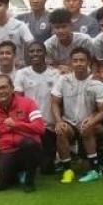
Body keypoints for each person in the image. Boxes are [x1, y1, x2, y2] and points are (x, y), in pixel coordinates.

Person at [51, 47, 103, 184]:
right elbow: (54, 103)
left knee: (87, 128)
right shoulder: (63, 80)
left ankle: (95, 170)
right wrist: (58, 121)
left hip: (88, 123)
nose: (79, 63)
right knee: (61, 130)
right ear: (70, 63)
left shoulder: (96, 82)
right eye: (75, 60)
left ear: (88, 62)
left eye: (82, 60)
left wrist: (92, 121)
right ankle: (67, 170)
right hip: (70, 122)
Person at [0, 74, 45, 192]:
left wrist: (17, 124)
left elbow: (40, 128)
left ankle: (29, 181)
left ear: (12, 88)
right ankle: (13, 176)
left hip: (28, 150)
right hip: (7, 152)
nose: (1, 91)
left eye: (4, 87)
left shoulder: (28, 103)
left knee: (29, 144)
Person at [14, 41, 60, 173]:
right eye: (32, 51)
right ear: (28, 54)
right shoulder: (21, 74)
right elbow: (18, 100)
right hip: (29, 127)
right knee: (29, 160)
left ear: (45, 53)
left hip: (49, 127)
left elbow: (58, 101)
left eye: (39, 50)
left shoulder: (55, 74)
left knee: (47, 170)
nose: (35, 53)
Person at [44, 8, 93, 73]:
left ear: (71, 25)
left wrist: (72, 69)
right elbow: (49, 66)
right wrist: (58, 68)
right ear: (52, 28)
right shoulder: (48, 45)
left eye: (64, 27)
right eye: (57, 28)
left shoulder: (84, 40)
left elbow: (91, 63)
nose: (61, 31)